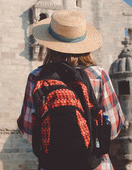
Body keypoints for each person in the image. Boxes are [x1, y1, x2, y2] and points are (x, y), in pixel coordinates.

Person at [17, 10, 125, 170]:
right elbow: (114, 129)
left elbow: (27, 130)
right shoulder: (98, 75)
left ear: (50, 44)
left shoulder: (37, 77)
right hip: (94, 165)